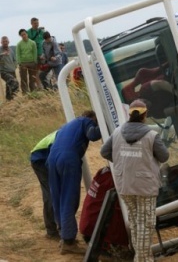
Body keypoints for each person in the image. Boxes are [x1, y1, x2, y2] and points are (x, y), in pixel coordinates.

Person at [100, 99, 169, 262]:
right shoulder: (152, 135)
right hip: (145, 186)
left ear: (129, 114)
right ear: (145, 115)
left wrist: (119, 160)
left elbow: (104, 151)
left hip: (124, 184)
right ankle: (143, 259)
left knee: (136, 222)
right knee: (146, 224)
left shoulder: (117, 132)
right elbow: (164, 156)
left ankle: (141, 257)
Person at [47, 110, 101, 255]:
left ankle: (63, 235)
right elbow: (93, 134)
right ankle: (69, 241)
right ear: (91, 117)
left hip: (52, 159)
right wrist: (103, 122)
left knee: (58, 198)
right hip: (68, 159)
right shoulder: (86, 121)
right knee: (68, 199)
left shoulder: (65, 126)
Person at [80, 166, 132, 259]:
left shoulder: (104, 173)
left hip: (89, 228)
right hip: (99, 233)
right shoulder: (114, 180)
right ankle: (111, 249)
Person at [30, 130, 59, 240]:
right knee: (50, 194)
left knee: (55, 192)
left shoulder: (66, 131)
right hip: (39, 160)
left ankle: (55, 227)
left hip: (44, 156)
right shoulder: (60, 137)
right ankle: (51, 230)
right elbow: (51, 160)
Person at [16, 29, 38, 94]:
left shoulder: (33, 43)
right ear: (20, 36)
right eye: (22, 35)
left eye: (24, 34)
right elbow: (18, 54)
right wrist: (20, 63)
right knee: (23, 79)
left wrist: (35, 61)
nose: (24, 36)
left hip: (32, 62)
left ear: (27, 34)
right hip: (23, 63)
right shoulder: (19, 44)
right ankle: (25, 93)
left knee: (32, 78)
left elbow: (35, 52)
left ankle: (33, 92)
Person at [27, 17, 46, 89]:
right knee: (35, 71)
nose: (36, 24)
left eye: (37, 23)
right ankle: (38, 86)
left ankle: (45, 85)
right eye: (35, 23)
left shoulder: (42, 31)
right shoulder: (28, 32)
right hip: (34, 55)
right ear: (31, 23)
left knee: (44, 70)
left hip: (42, 54)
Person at [0, 36, 19, 100]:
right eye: (3, 42)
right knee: (14, 82)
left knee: (9, 85)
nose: (5, 43)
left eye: (6, 41)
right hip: (4, 71)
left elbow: (15, 60)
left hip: (12, 70)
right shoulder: (0, 50)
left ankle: (9, 100)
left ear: (8, 42)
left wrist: (15, 65)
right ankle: (13, 96)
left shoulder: (11, 50)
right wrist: (2, 54)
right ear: (1, 42)